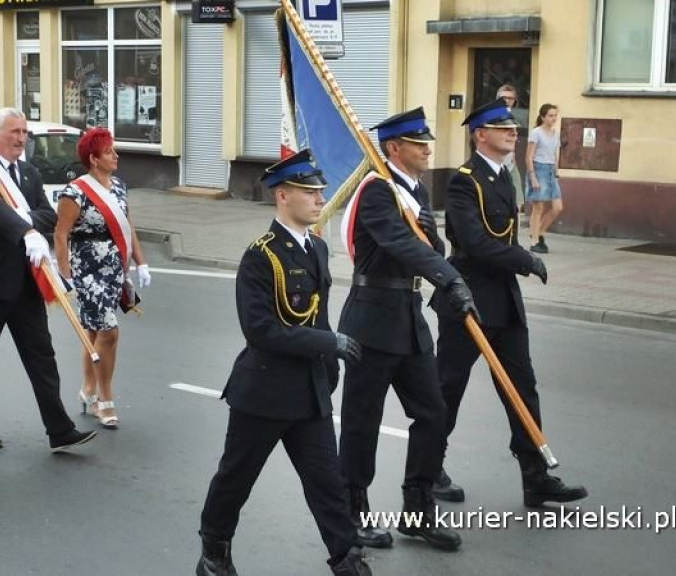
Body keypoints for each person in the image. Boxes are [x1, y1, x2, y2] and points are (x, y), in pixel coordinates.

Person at [196, 150, 370, 576]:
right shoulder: (261, 256)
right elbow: (261, 331)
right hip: (264, 393)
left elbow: (318, 314)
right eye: (309, 191)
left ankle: (346, 559)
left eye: (319, 191)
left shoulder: (319, 249)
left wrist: (328, 368)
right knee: (236, 478)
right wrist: (328, 342)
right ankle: (214, 550)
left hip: (309, 395)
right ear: (283, 196)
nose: (319, 198)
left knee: (328, 485)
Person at [433, 98, 587, 507]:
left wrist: (517, 259)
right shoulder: (464, 180)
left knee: (522, 387)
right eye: (502, 127)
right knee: (448, 386)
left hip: (503, 298)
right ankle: (429, 468)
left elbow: (502, 237)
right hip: (467, 297)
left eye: (513, 126)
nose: (512, 131)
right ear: (480, 134)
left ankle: (534, 476)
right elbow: (475, 243)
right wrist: (525, 259)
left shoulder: (505, 176)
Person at [337, 107, 471, 551]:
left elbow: (430, 246)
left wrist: (441, 268)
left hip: (409, 320)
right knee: (362, 423)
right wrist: (449, 276)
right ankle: (353, 515)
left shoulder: (413, 189)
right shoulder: (378, 190)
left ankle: (417, 512)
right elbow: (401, 243)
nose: (427, 148)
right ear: (394, 149)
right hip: (372, 319)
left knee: (433, 413)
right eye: (418, 143)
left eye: (426, 141)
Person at [0, 107, 96, 453]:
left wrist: (24, 218)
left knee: (42, 356)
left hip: (26, 283)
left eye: (24, 132)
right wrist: (23, 226)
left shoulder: (29, 173)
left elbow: (48, 213)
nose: (21, 138)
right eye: (14, 132)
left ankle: (59, 429)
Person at [54, 127, 149, 430]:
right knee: (109, 332)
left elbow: (127, 225)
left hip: (114, 270)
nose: (116, 155)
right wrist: (65, 276)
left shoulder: (119, 186)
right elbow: (61, 234)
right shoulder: (75, 192)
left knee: (94, 333)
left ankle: (87, 389)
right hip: (87, 272)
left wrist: (141, 262)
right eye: (109, 151)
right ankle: (105, 400)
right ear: (94, 159)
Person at [526, 104, 563, 253]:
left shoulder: (555, 134)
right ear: (543, 117)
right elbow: (528, 157)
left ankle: (540, 232)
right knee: (538, 208)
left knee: (557, 207)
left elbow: (554, 155)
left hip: (550, 171)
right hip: (538, 168)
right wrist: (532, 176)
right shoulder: (536, 133)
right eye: (550, 116)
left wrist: (556, 172)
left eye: (555, 115)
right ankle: (534, 241)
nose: (553, 118)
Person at [495, 84, 526, 211]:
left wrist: (512, 152)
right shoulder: (493, 116)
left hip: (510, 162)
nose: (507, 101)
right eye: (504, 98)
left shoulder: (512, 115)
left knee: (517, 202)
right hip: (496, 163)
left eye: (510, 98)